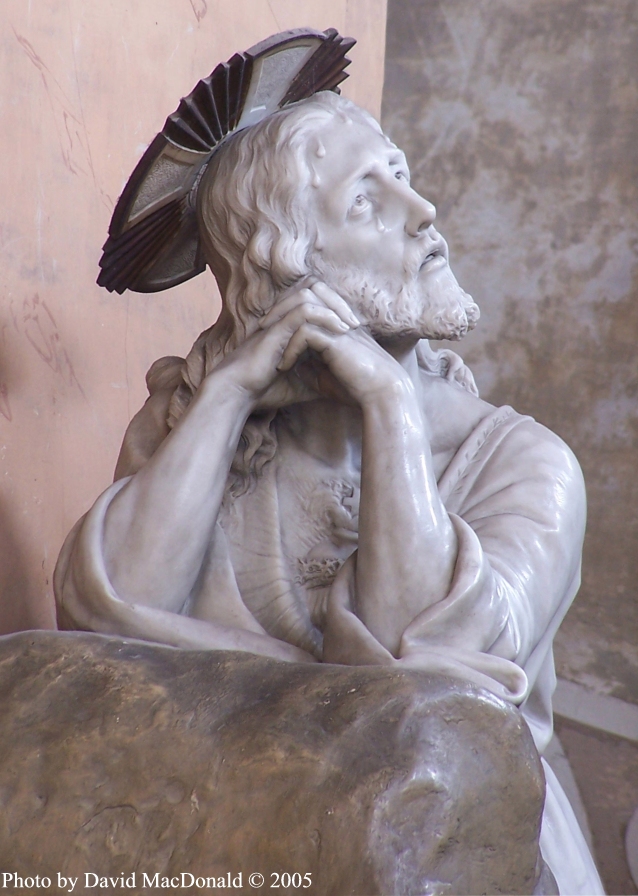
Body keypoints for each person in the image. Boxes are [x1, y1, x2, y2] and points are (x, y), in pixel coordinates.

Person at [55, 90, 602, 894]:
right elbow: (101, 623)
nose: (423, 211)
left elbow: (433, 679)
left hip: (444, 854)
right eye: (366, 201)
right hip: (214, 837)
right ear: (290, 270)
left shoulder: (525, 466)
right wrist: (230, 393)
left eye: (402, 176)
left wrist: (390, 407)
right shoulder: (194, 434)